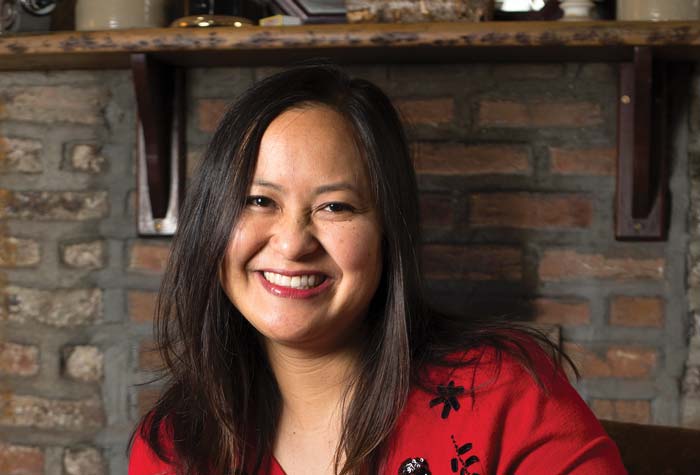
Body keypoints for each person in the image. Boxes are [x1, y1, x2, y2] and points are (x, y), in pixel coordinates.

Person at [128, 64, 626, 475]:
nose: (293, 242)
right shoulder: (175, 446)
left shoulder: (504, 395)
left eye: (336, 207)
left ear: (388, 232)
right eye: (259, 200)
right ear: (211, 223)